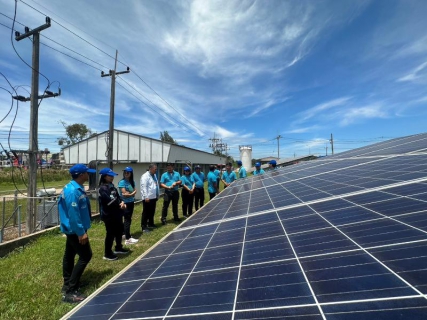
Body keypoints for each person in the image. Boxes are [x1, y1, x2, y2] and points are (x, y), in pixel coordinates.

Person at [58, 163, 95, 303]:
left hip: (72, 229)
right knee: (86, 255)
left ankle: (68, 283)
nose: (88, 174)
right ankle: (70, 291)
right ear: (81, 175)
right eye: (87, 173)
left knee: (69, 255)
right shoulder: (73, 191)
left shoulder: (74, 187)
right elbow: (73, 214)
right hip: (75, 230)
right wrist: (80, 232)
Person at [98, 168, 129, 261]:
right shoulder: (102, 188)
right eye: (109, 176)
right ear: (104, 177)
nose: (112, 177)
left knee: (119, 231)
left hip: (117, 213)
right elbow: (109, 201)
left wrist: (122, 202)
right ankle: (107, 253)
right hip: (109, 215)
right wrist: (120, 205)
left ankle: (118, 247)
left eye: (112, 176)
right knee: (110, 234)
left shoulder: (112, 186)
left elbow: (118, 197)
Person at [118, 167, 138, 245]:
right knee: (127, 220)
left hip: (131, 202)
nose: (126, 174)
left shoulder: (132, 181)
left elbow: (133, 191)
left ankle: (124, 233)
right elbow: (125, 194)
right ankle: (128, 238)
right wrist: (132, 194)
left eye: (128, 172)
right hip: (125, 203)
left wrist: (130, 194)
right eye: (125, 172)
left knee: (128, 218)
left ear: (131, 174)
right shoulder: (122, 182)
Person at [140, 163, 159, 231]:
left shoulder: (154, 175)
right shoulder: (145, 176)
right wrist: (146, 197)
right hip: (148, 198)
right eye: (155, 169)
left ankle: (151, 223)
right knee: (146, 212)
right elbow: (144, 187)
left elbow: (156, 185)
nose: (156, 170)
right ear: (150, 169)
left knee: (152, 211)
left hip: (153, 197)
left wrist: (157, 194)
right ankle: (144, 226)